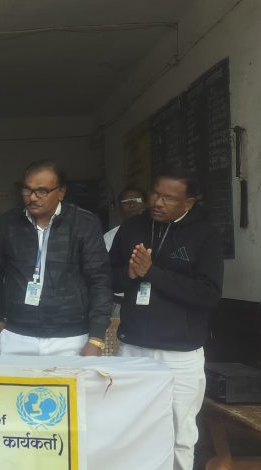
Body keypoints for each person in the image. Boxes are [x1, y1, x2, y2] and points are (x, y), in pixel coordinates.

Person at [109, 168, 222, 470]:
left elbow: (208, 294)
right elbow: (108, 278)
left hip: (179, 354)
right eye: (155, 194)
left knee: (179, 432)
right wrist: (129, 273)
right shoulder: (132, 228)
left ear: (188, 203)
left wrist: (152, 273)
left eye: (168, 198)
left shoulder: (205, 236)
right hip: (132, 348)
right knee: (128, 427)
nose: (157, 202)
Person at [0, 160, 112, 356]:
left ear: (61, 192)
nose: (33, 197)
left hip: (71, 338)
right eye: (27, 190)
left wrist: (96, 338)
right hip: (17, 335)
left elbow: (100, 280)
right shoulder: (7, 224)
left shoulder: (84, 223)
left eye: (41, 191)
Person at [104, 186, 146, 250]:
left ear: (146, 204)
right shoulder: (110, 236)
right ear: (119, 207)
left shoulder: (155, 233)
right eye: (126, 201)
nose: (132, 205)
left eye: (137, 200)